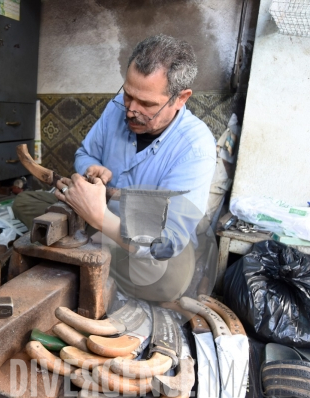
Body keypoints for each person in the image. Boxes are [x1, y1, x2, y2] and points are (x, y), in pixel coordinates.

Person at [14, 34, 217, 301]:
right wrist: (93, 168)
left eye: (146, 104)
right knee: (23, 202)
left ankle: (77, 255)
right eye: (128, 95)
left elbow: (167, 241)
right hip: (96, 220)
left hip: (135, 235)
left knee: (169, 280)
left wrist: (101, 219)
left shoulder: (196, 147)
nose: (131, 110)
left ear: (180, 99)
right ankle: (89, 256)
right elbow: (85, 153)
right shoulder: (117, 110)